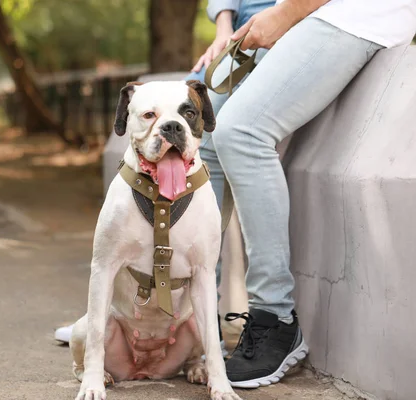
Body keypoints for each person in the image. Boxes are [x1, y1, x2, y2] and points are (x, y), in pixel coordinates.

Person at [202, 0, 416, 389]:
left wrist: (284, 15)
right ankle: (192, 312)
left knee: (240, 132)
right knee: (202, 131)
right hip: (309, 13)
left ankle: (275, 317)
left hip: (357, 13)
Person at [54, 0, 275, 357]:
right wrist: (223, 27)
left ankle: (271, 315)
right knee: (211, 147)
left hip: (291, 26)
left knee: (234, 135)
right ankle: (139, 323)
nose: (169, 125)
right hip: (239, 36)